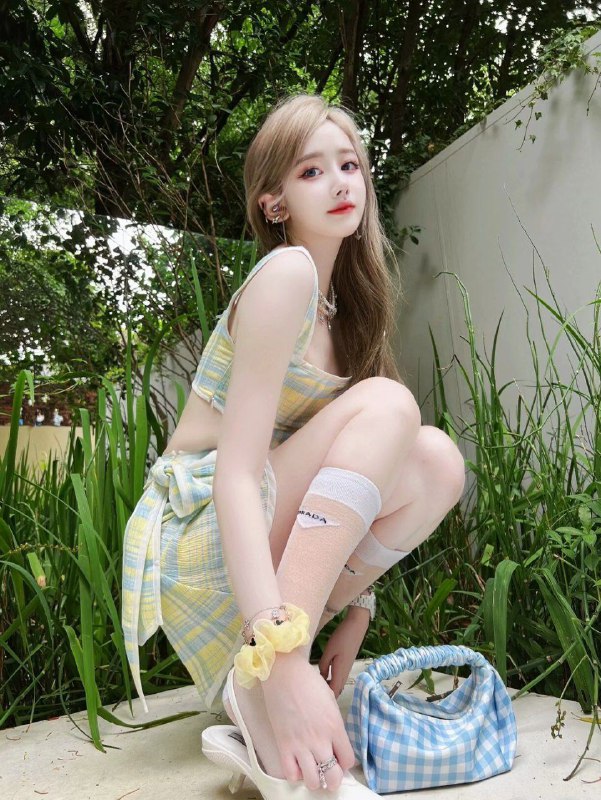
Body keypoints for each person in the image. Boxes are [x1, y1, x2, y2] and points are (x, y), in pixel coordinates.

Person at [121, 93, 466, 798]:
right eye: (311, 171)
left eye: (349, 165)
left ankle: (264, 684)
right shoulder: (287, 275)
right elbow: (236, 476)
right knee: (390, 403)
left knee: (435, 460)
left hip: (261, 529)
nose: (340, 182)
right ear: (274, 202)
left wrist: (359, 608)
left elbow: (355, 473)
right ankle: (272, 672)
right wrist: (282, 654)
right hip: (203, 531)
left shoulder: (347, 307)